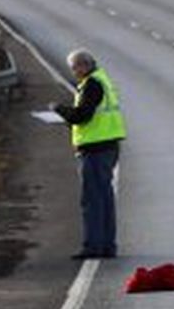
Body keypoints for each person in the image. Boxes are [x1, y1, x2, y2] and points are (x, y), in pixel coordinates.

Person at [53, 48, 126, 259]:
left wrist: (59, 109)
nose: (74, 72)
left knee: (92, 200)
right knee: (105, 198)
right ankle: (107, 245)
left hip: (95, 149)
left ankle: (93, 246)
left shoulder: (92, 84)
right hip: (107, 145)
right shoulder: (101, 79)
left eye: (75, 68)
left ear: (84, 65)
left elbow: (82, 116)